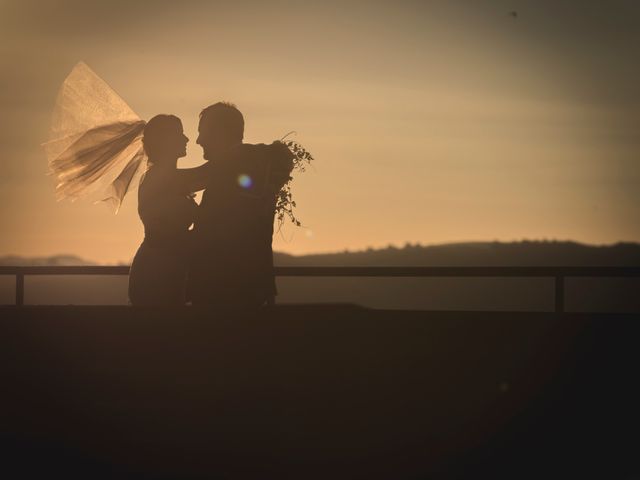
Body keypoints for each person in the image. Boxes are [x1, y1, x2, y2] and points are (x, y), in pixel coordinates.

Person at [189, 102, 294, 308]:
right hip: (247, 284)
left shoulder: (235, 163)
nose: (198, 140)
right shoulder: (252, 164)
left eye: (203, 132)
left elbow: (191, 180)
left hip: (225, 287)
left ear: (220, 133)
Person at [128, 114, 210, 306]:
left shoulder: (166, 177)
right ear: (165, 141)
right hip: (156, 271)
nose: (187, 139)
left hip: (169, 267)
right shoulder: (161, 177)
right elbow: (209, 174)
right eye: (179, 134)